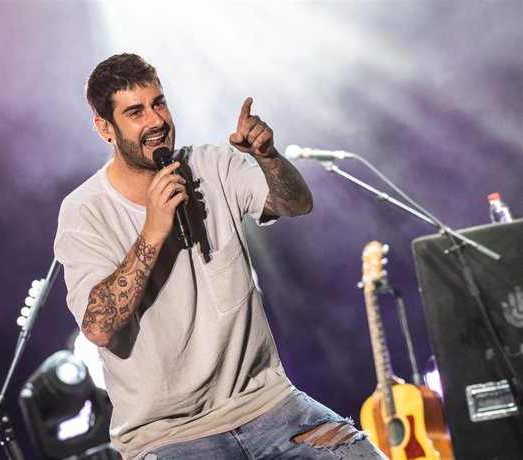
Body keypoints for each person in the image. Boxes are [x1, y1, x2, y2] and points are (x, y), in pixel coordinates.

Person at [54, 53, 386, 460]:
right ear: (105, 128)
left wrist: (267, 157)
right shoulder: (85, 211)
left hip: (269, 405)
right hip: (167, 434)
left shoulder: (210, 164)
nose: (156, 121)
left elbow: (296, 203)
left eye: (159, 103)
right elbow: (99, 327)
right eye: (136, 112)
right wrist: (154, 230)